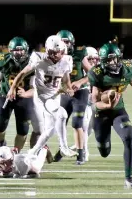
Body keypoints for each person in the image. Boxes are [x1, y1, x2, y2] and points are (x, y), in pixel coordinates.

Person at [88, 43, 132, 189]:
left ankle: (129, 178)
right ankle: (102, 144)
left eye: (114, 59)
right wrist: (108, 105)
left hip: (118, 111)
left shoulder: (127, 69)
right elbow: (94, 103)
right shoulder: (96, 73)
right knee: (104, 151)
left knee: (128, 137)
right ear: (102, 61)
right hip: (101, 113)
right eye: (108, 60)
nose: (113, 63)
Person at [7, 35, 77, 158]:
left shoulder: (67, 60)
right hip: (42, 98)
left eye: (57, 52)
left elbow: (66, 80)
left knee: (50, 130)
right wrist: (12, 88)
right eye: (51, 52)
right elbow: (22, 73)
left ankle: (33, 151)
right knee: (62, 114)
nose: (55, 55)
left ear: (62, 51)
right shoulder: (39, 59)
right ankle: (64, 147)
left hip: (55, 97)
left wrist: (69, 88)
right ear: (46, 50)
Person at [0, 37, 34, 151]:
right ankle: (1, 144)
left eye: (21, 50)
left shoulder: (32, 62)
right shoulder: (3, 60)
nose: (19, 53)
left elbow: (34, 88)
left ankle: (15, 153)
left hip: (23, 98)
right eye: (16, 50)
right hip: (5, 95)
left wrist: (26, 93)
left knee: (23, 129)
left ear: (26, 50)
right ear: (10, 51)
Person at [53, 30, 92, 165]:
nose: (64, 44)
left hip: (80, 91)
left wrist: (80, 82)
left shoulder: (79, 54)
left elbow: (92, 74)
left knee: (76, 122)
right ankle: (62, 148)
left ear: (72, 43)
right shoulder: (53, 55)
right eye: (62, 41)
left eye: (67, 42)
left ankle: (80, 153)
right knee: (59, 121)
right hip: (64, 92)